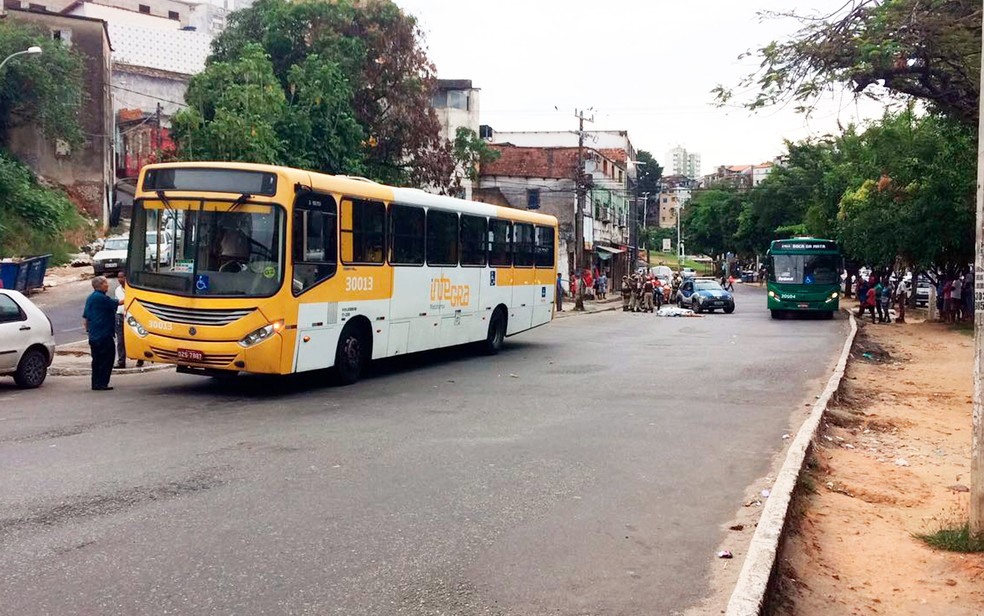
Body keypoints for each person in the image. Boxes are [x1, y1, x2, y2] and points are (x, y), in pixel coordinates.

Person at [83, 276, 121, 391]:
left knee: (97, 360)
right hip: (103, 334)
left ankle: (96, 382)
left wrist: (89, 331)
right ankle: (102, 383)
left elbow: (85, 317)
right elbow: (118, 303)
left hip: (94, 335)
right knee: (106, 358)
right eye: (105, 283)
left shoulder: (91, 298)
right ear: (100, 285)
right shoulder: (101, 298)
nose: (107, 285)